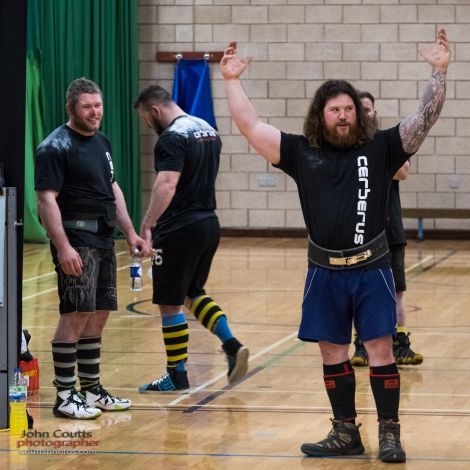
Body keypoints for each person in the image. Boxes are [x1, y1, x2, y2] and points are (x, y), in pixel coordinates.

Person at [220, 29, 450, 463]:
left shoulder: (382, 148)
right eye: (334, 110)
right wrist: (231, 81)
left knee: (380, 349)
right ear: (321, 115)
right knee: (332, 352)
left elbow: (426, 117)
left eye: (348, 109)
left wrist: (438, 72)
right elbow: (250, 126)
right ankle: (345, 432)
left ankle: (389, 434)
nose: (343, 116)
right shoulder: (300, 152)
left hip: (373, 268)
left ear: (358, 114)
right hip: (324, 271)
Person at [35, 77, 151, 419]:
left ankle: (92, 390)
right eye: (87, 106)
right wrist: (64, 247)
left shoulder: (102, 142)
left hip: (103, 239)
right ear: (71, 108)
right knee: (75, 313)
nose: (94, 112)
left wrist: (129, 231)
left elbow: (111, 189)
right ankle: (65, 395)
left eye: (98, 105)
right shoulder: (54, 147)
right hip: (76, 239)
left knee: (98, 314)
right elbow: (45, 200)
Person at [133, 85, 249, 393]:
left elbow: (166, 185)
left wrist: (147, 225)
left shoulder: (172, 137)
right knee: (193, 293)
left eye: (146, 118)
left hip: (178, 228)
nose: (148, 124)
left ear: (155, 110)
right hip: (208, 223)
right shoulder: (208, 129)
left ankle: (177, 374)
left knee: (170, 304)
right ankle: (232, 344)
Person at [352, 92, 423, 367]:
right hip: (359, 233)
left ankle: (400, 343)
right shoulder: (346, 146)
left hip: (390, 231)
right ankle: (361, 344)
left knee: (396, 291)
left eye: (368, 109)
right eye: (361, 110)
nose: (365, 114)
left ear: (375, 113)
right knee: (360, 292)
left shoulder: (387, 142)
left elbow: (402, 172)